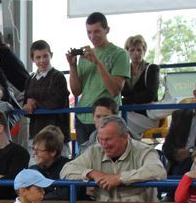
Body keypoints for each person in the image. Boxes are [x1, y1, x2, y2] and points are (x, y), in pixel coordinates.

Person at [61, 115, 167, 203]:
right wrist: (92, 173)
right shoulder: (95, 151)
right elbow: (66, 170)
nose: (104, 145)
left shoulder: (143, 150)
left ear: (125, 137)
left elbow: (158, 171)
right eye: (100, 139)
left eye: (109, 139)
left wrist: (120, 178)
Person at [67, 12, 130, 142]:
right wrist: (72, 66)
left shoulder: (120, 54)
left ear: (107, 30)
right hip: (83, 116)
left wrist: (97, 62)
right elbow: (76, 91)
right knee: (85, 159)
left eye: (96, 31)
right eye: (89, 32)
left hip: (106, 117)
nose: (92, 36)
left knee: (106, 157)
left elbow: (115, 90)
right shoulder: (85, 56)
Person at [162, 78, 196, 176]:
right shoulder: (179, 115)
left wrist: (190, 152)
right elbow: (167, 146)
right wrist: (177, 154)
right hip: (177, 163)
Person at [19, 40, 70, 146]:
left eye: (45, 56)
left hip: (57, 135)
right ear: (32, 59)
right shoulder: (30, 79)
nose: (42, 60)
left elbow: (57, 103)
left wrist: (34, 103)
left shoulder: (58, 76)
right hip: (36, 134)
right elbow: (26, 105)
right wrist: (28, 105)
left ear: (51, 55)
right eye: (38, 57)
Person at [121, 34, 161, 137]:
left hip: (148, 115)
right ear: (127, 52)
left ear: (144, 51)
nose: (136, 53)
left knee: (117, 121)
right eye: (132, 50)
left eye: (139, 50)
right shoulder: (124, 70)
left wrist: (126, 101)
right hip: (130, 113)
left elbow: (150, 95)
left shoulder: (152, 68)